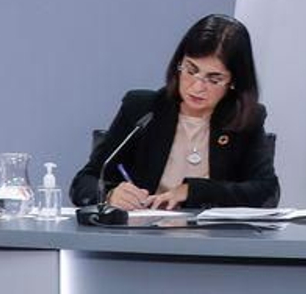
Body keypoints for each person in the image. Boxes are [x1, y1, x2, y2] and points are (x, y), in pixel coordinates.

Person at [70, 13, 280, 210]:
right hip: (141, 241)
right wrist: (110, 195)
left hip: (214, 244)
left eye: (214, 79)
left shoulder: (245, 119)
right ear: (179, 63)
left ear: (233, 82)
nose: (197, 87)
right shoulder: (142, 110)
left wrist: (194, 191)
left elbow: (266, 191)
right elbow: (84, 182)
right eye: (191, 70)